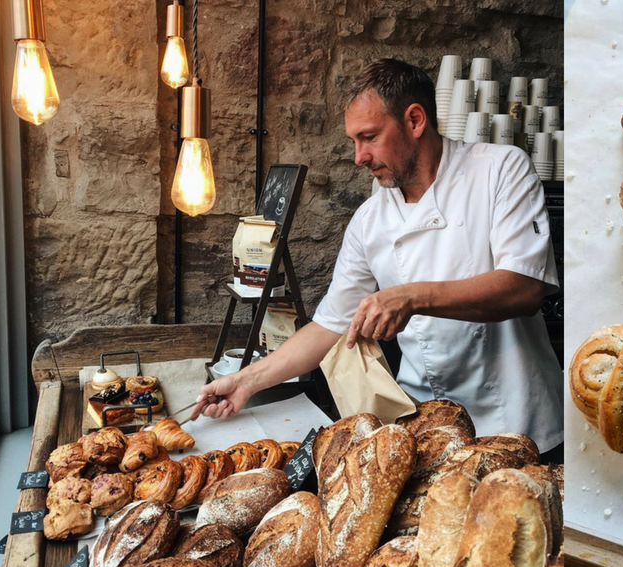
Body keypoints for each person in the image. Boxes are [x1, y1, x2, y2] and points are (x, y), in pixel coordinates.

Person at [191, 58, 563, 457]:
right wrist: (247, 381)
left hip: (516, 423)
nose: (359, 156)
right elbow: (328, 326)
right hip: (426, 424)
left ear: (415, 120)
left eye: (368, 137)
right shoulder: (371, 219)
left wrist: (411, 297)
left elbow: (523, 289)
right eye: (354, 141)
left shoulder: (500, 170)